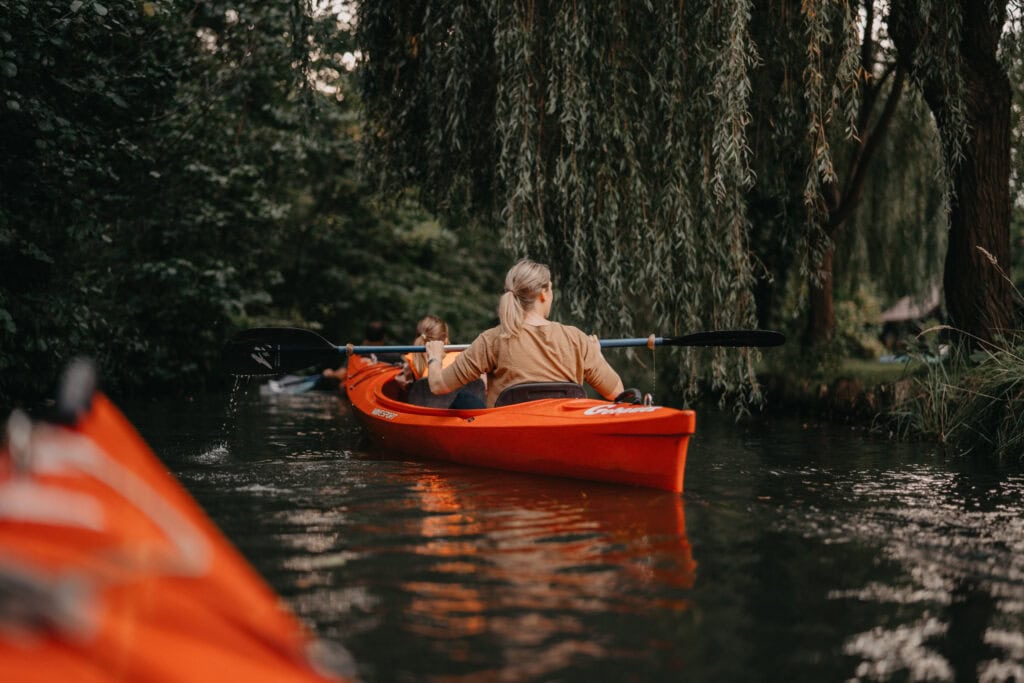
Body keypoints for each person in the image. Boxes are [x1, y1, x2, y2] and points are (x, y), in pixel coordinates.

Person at [424, 258, 624, 408]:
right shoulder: (577, 339)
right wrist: (598, 356)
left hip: (508, 435)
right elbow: (617, 392)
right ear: (544, 293)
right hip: (562, 434)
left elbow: (438, 386)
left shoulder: (492, 340)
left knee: (464, 401)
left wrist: (434, 357)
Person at [397, 315, 486, 409]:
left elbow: (415, 393)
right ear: (446, 339)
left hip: (430, 415)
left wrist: (407, 386)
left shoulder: (411, 361)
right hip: (469, 416)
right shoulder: (465, 357)